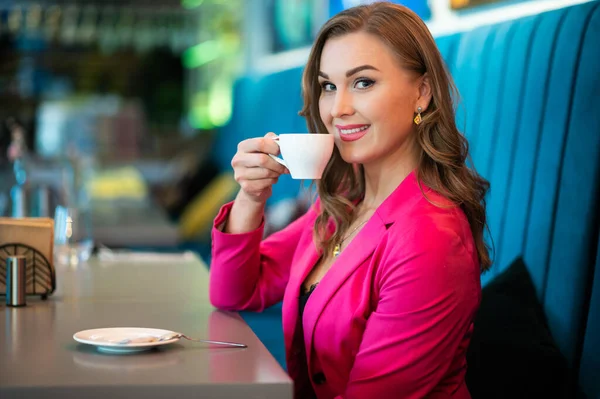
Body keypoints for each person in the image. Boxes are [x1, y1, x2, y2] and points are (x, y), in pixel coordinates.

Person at [209, 2, 491, 398]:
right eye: (328, 86)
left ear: (422, 93)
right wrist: (252, 195)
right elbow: (235, 292)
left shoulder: (431, 237)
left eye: (363, 83)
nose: (337, 110)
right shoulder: (346, 202)